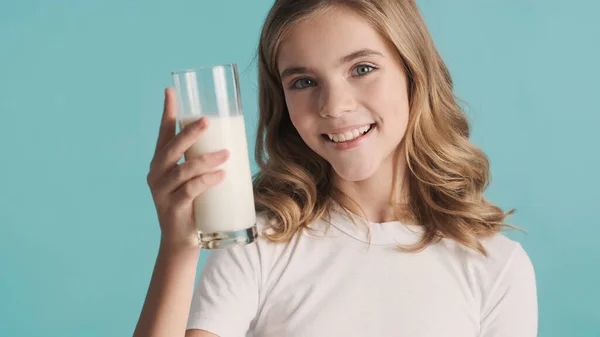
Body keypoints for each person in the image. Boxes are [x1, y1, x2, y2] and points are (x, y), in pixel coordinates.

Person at [133, 0, 538, 336]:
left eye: (362, 69)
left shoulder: (495, 266)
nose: (333, 106)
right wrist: (178, 248)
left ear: (414, 73)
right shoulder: (261, 244)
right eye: (304, 82)